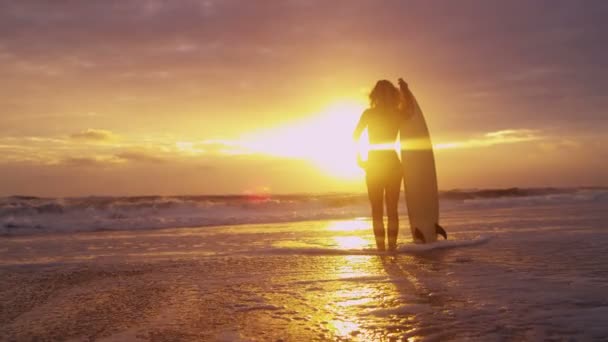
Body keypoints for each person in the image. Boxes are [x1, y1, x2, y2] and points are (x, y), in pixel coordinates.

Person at [353, 78, 413, 251]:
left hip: (375, 163)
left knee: (378, 210)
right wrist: (406, 91)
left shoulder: (369, 114)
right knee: (390, 210)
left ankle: (383, 250)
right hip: (391, 164)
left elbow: (355, 136)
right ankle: (390, 249)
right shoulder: (397, 113)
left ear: (375, 95)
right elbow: (410, 111)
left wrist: (359, 158)